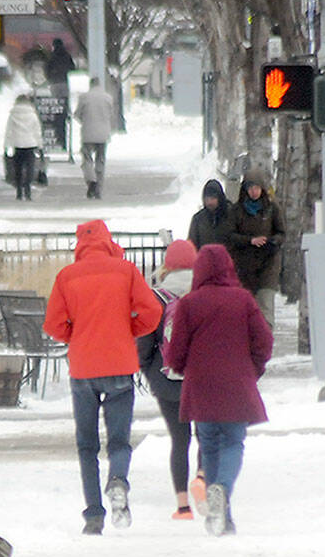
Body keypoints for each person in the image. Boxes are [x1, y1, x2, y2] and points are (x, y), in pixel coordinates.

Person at [44, 219, 162, 535]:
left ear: (79, 242)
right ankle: (118, 479)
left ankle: (94, 516)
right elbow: (152, 312)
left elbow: (54, 324)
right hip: (120, 363)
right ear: (107, 240)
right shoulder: (126, 271)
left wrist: (78, 336)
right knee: (119, 440)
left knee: (86, 445)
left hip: (83, 368)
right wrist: (128, 331)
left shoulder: (66, 277)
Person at [163, 244, 273, 535]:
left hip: (201, 387)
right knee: (234, 443)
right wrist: (253, 370)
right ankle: (222, 492)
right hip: (236, 385)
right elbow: (264, 342)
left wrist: (186, 369)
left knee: (209, 445)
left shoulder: (189, 304)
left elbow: (175, 354)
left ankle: (219, 515)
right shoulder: (243, 301)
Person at [137, 239, 199, 519]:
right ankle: (202, 479)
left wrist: (151, 372)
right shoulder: (205, 292)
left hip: (167, 381)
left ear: (167, 265)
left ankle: (183, 506)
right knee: (206, 436)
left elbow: (143, 346)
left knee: (180, 439)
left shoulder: (155, 297)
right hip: (202, 379)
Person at [221, 169, 284, 325]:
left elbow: (281, 233)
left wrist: (272, 242)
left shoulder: (272, 209)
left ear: (262, 188)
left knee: (265, 306)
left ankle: (266, 340)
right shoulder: (236, 211)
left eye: (256, 187)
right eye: (250, 188)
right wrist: (249, 241)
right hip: (244, 267)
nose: (253, 192)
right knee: (245, 308)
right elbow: (230, 236)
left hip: (267, 265)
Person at [74, 77, 115, 199]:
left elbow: (77, 115)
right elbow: (111, 114)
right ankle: (99, 188)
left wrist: (84, 120)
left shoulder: (84, 97)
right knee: (100, 160)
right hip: (103, 134)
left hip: (88, 133)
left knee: (87, 159)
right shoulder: (108, 97)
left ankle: (91, 181)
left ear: (90, 85)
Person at [4, 93, 43, 201]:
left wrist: (7, 145)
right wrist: (40, 145)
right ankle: (28, 190)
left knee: (18, 168)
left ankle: (19, 192)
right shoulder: (32, 115)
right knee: (30, 167)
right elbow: (37, 131)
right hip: (30, 144)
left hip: (17, 144)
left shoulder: (13, 114)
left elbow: (9, 131)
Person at [187, 179, 230, 249]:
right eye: (207, 199)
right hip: (205, 258)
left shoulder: (231, 215)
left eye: (213, 198)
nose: (210, 202)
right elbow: (192, 245)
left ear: (220, 198)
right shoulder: (198, 219)